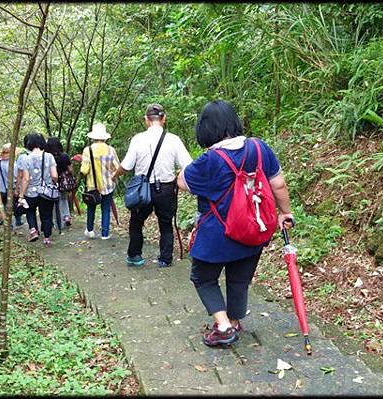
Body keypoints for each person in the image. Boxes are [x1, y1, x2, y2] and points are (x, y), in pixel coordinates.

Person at [176, 99, 294, 346]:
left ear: (205, 129)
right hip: (254, 227)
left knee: (203, 278)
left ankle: (223, 326)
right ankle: (235, 320)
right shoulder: (260, 148)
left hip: (217, 234)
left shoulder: (209, 161)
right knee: (240, 278)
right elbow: (278, 184)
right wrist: (285, 213)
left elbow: (182, 182)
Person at [113, 104, 192, 267]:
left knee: (136, 221)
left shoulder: (138, 139)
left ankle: (135, 256)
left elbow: (126, 166)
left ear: (146, 120)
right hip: (166, 188)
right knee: (165, 223)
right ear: (164, 119)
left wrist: (115, 175)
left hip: (143, 190)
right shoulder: (173, 139)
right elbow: (188, 165)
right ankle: (165, 258)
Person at [80, 123, 120, 239]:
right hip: (108, 184)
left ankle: (90, 230)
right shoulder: (110, 150)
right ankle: (105, 234)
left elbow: (84, 170)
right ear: (104, 137)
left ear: (93, 137)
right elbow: (117, 167)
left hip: (93, 185)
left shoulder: (88, 150)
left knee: (91, 207)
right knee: (106, 209)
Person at [18, 133, 58, 246]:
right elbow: (54, 176)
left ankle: (33, 230)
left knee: (30, 211)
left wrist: (21, 195)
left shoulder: (26, 159)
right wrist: (54, 183)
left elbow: (25, 179)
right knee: (46, 215)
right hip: (46, 192)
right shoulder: (49, 156)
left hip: (31, 192)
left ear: (28, 144)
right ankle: (47, 238)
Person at [46, 137, 73, 229]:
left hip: (52, 181)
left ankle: (57, 221)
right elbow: (70, 169)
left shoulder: (48, 157)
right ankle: (66, 216)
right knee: (64, 199)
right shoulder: (64, 156)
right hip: (64, 182)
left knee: (54, 202)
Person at [0, 144, 11, 225]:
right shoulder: (13, 164)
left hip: (0, 188)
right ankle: (9, 221)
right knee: (9, 205)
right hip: (10, 188)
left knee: (1, 204)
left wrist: (0, 154)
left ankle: (1, 218)